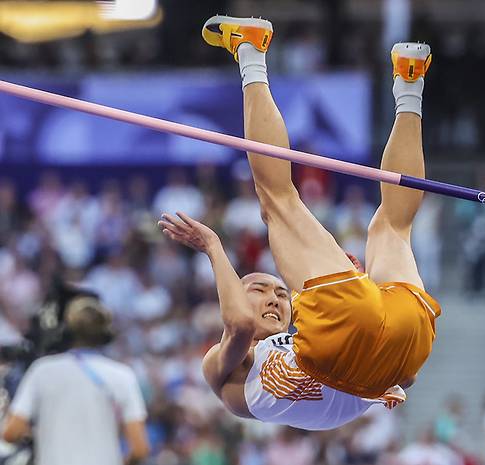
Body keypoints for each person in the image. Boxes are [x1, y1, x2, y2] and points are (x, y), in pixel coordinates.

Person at [158, 14, 441, 431]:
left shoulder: (241, 357)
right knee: (278, 201)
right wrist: (214, 248)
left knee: (390, 226)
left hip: (384, 345)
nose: (274, 298)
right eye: (258, 289)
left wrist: (365, 312)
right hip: (373, 349)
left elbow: (238, 322)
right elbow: (238, 324)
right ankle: (250, 51)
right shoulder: (236, 362)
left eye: (279, 293)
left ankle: (410, 84)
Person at [2, 295, 150, 465]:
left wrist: (42, 432)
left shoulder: (43, 370)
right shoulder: (122, 375)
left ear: (67, 331)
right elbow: (140, 448)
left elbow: (11, 432)